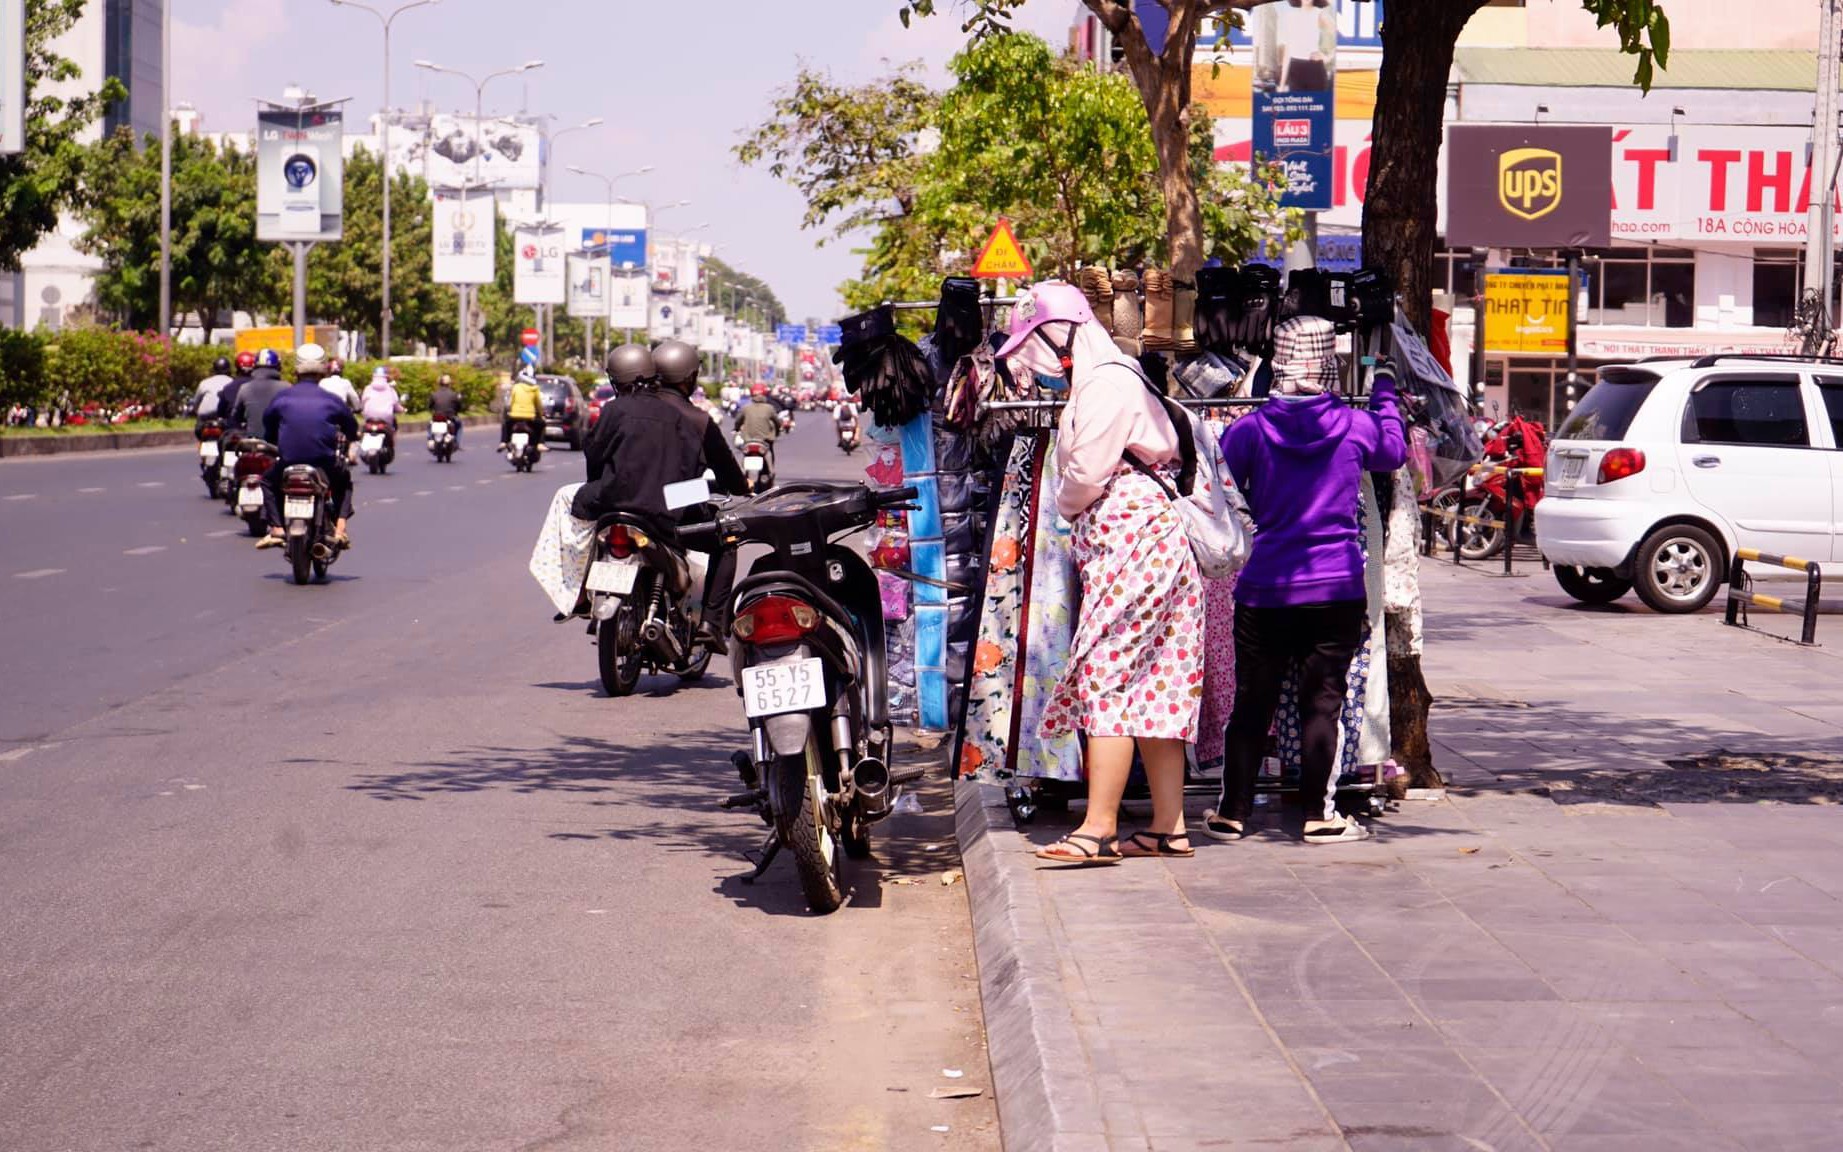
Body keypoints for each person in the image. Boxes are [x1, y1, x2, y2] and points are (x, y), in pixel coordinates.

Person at [1003, 281, 1206, 866]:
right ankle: (1168, 828)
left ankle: (1098, 829)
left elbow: (1087, 474)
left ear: (1060, 335)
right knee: (1156, 682)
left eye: (1034, 345)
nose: (1035, 362)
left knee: (1106, 677)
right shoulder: (1115, 376)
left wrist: (1064, 502)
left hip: (1132, 544)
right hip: (1147, 543)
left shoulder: (1104, 385)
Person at [1206, 315, 1406, 846]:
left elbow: (1222, 487)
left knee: (1253, 702)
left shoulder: (1249, 430)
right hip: (1336, 587)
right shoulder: (1356, 426)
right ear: (1329, 365)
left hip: (1265, 587)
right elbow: (1394, 450)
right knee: (1322, 703)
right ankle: (1319, 815)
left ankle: (1231, 812)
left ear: (1278, 364)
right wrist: (1384, 391)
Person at [575, 339, 749, 645]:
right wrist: (739, 488)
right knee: (726, 538)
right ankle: (711, 623)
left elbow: (595, 456)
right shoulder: (694, 418)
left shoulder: (620, 407)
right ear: (690, 377)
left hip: (615, 496)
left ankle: (576, 592)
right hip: (673, 499)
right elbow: (722, 475)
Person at [256, 344, 359, 551]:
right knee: (344, 481)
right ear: (323, 371)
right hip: (323, 463)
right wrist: (349, 439)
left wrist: (274, 441)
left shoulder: (282, 398)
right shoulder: (331, 400)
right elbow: (351, 427)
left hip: (288, 462)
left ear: (296, 371)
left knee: (267, 481)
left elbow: (268, 425)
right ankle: (340, 530)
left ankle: (277, 528)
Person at [230, 349, 288, 438]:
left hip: (252, 442)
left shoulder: (245, 388)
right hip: (277, 442)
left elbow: (235, 417)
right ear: (278, 367)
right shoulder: (286, 388)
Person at [501, 368, 546, 451]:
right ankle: (540, 444)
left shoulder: (515, 387)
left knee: (505, 424)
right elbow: (539, 405)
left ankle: (503, 442)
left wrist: (508, 412)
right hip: (530, 418)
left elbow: (508, 404)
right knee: (542, 424)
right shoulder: (535, 389)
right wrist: (541, 414)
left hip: (515, 417)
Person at [214, 351, 259, 424]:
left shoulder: (228, 388)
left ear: (237, 367)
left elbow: (220, 413)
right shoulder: (260, 387)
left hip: (233, 428)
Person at [734, 384, 780, 455]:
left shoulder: (746, 408)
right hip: (765, 439)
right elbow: (777, 422)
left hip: (748, 439)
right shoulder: (769, 408)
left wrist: (736, 429)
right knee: (769, 451)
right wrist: (777, 432)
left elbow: (738, 421)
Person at [191, 357, 234, 422]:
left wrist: (197, 411)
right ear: (228, 369)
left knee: (199, 427)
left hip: (205, 418)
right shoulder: (232, 382)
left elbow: (196, 403)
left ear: (214, 369)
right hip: (225, 419)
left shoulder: (204, 383)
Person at [429, 372, 465, 447]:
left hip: (437, 416)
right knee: (459, 425)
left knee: (429, 426)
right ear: (449, 384)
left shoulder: (434, 394)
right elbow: (459, 406)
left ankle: (430, 438)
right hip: (450, 417)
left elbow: (430, 406)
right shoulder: (453, 394)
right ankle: (456, 442)